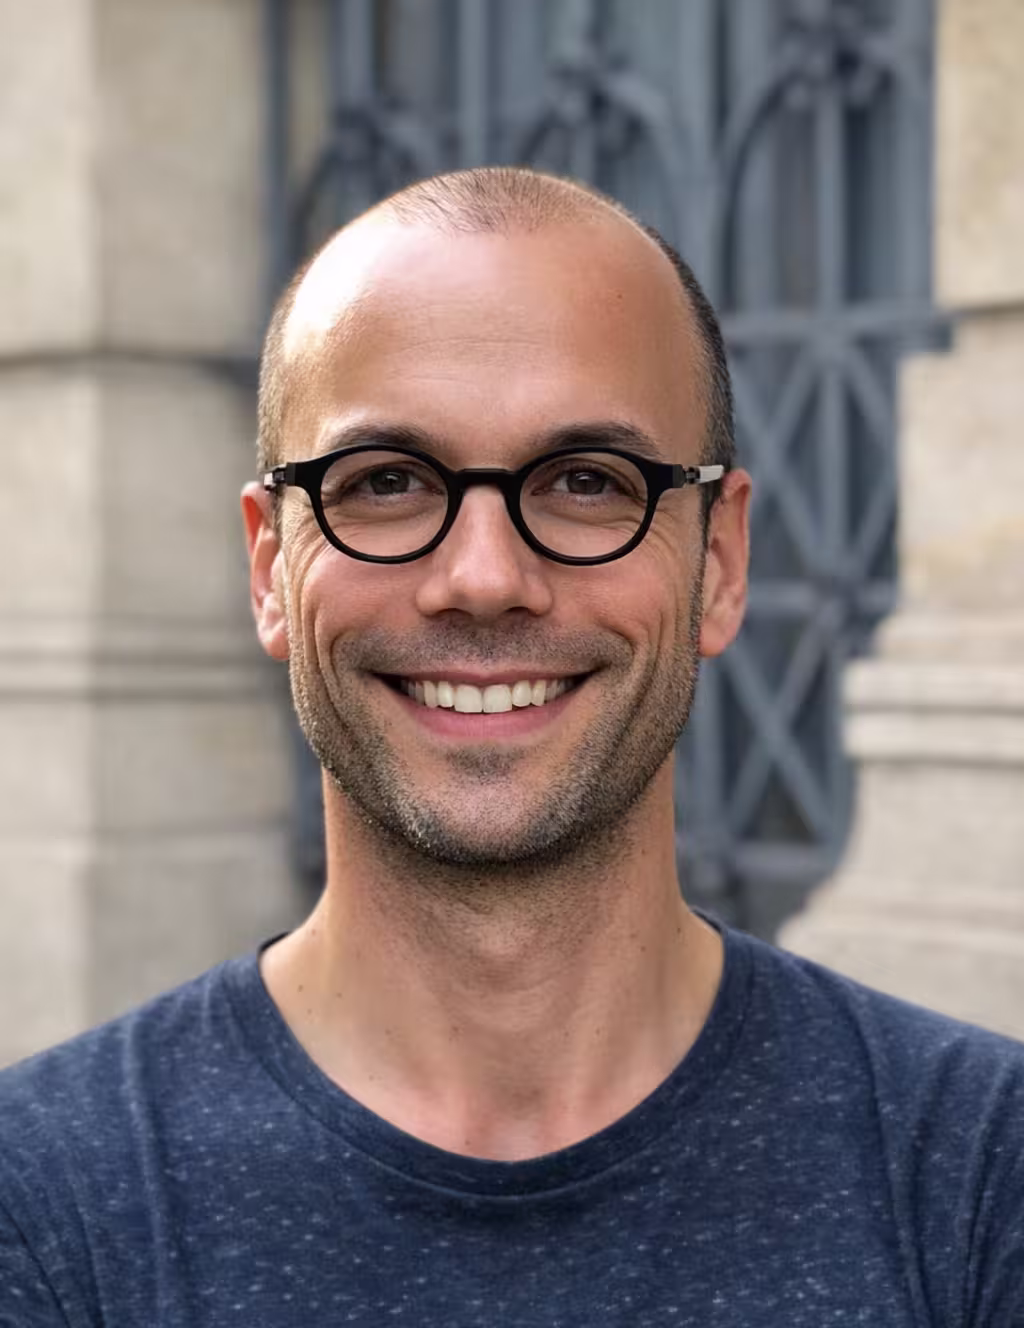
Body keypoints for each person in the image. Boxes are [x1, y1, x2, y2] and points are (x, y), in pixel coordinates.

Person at [1, 167, 1021, 1327]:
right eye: (382, 482)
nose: (483, 576)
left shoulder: (981, 1174)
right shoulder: (41, 1204)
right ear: (268, 566)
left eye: (588, 481)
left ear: (720, 560)